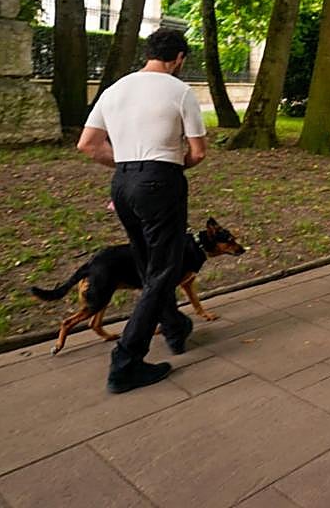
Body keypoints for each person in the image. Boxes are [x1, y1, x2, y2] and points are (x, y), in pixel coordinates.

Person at [77, 28, 208, 393]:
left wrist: (130, 167)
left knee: (148, 263)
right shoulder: (180, 91)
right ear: (179, 58)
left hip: (122, 183)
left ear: (149, 53)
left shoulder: (115, 89)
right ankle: (126, 361)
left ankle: (175, 327)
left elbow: (87, 145)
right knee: (165, 270)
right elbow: (197, 152)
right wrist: (159, 167)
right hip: (161, 182)